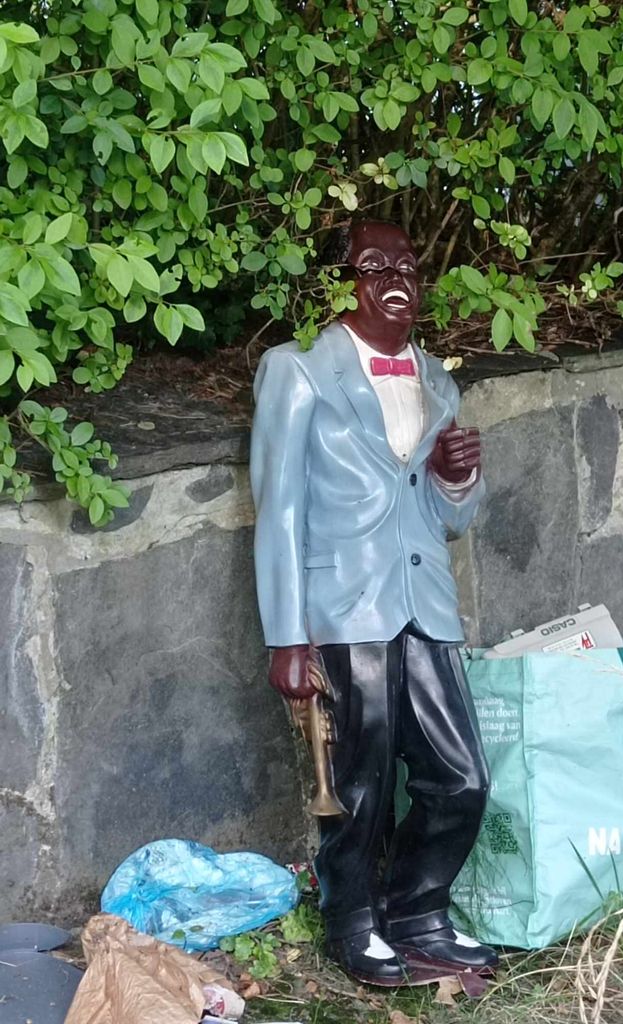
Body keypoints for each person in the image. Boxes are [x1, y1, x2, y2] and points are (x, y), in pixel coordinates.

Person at [250, 220, 496, 985]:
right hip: (342, 605)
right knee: (358, 785)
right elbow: (279, 507)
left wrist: (457, 478)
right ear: (342, 283)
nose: (395, 280)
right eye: (374, 267)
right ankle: (353, 921)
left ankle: (419, 913)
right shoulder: (297, 370)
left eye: (408, 267)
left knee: (462, 777)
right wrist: (286, 636)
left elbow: (450, 518)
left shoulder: (438, 380)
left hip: (425, 602)